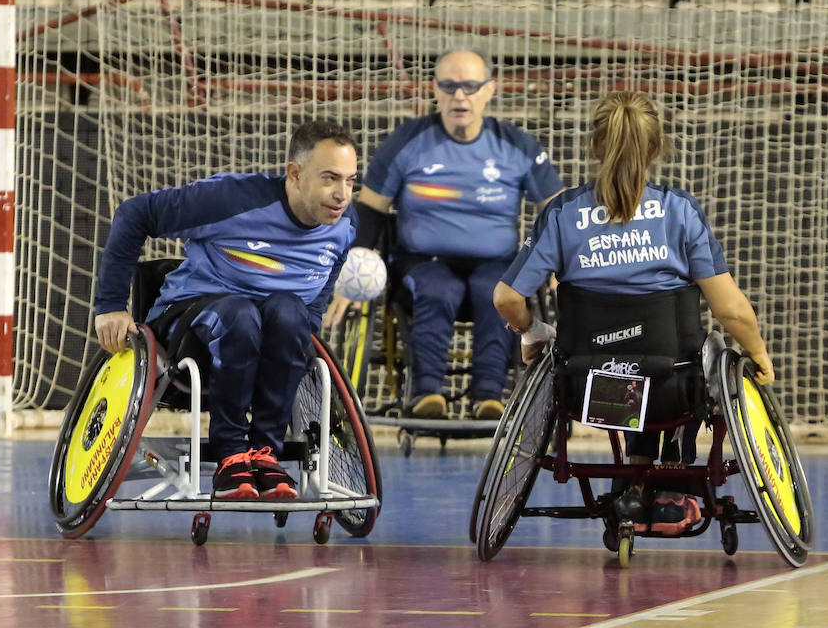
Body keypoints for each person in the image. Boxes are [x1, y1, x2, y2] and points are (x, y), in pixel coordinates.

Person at [493, 91, 774, 470]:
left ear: (595, 146)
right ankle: (673, 462)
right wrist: (757, 352)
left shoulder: (562, 214)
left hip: (588, 386)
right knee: (696, 350)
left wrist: (533, 332)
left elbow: (506, 298)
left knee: (625, 357)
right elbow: (732, 312)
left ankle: (638, 462)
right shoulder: (680, 211)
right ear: (657, 147)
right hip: (673, 389)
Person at [93, 121, 359, 501]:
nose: (342, 194)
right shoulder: (231, 200)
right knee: (240, 314)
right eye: (331, 178)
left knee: (290, 312)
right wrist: (110, 306)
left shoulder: (346, 225)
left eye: (351, 181)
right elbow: (135, 214)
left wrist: (306, 334)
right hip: (189, 328)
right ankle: (231, 451)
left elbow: (320, 290)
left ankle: (266, 453)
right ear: (295, 174)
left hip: (267, 340)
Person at [324, 49, 563, 421]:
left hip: (496, 264)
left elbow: (558, 210)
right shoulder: (408, 141)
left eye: (470, 86)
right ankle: (427, 395)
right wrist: (348, 270)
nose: (459, 96)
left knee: (496, 291)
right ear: (435, 89)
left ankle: (489, 397)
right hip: (422, 264)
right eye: (449, 86)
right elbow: (370, 211)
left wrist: (557, 260)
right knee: (440, 289)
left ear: (490, 90)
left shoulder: (517, 146)